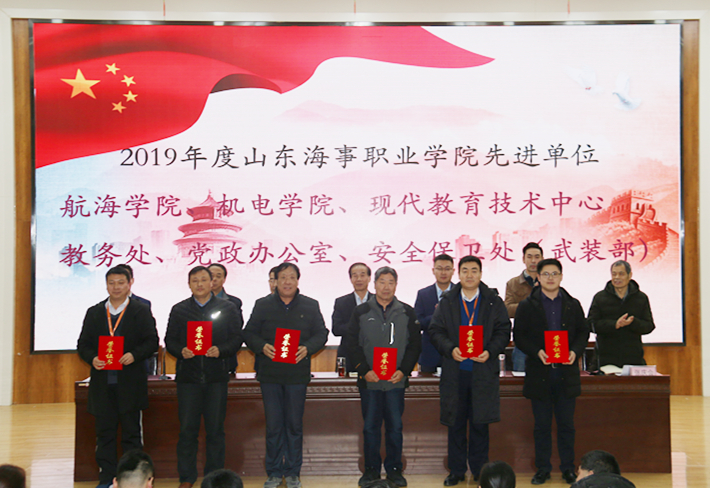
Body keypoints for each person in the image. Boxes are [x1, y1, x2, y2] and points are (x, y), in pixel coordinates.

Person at [243, 262, 329, 488]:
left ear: (298, 280)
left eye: (291, 277)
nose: (287, 282)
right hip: (270, 375)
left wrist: (307, 348)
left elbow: (322, 333)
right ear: (275, 281)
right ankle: (273, 472)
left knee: (293, 425)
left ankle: (292, 472)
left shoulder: (310, 305)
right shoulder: (262, 305)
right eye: (282, 277)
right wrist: (262, 346)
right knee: (273, 426)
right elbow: (249, 333)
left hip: (296, 375)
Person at [429, 256, 511, 485]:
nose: (469, 275)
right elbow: (435, 330)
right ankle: (456, 471)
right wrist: (450, 349)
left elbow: (504, 330)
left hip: (482, 371)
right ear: (459, 274)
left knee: (480, 424)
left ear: (480, 274)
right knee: (455, 424)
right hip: (455, 372)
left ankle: (479, 470)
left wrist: (490, 351)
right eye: (465, 270)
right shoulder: (448, 301)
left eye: (474, 270)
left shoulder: (493, 301)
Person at [77, 266, 159, 488]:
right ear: (106, 285)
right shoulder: (95, 312)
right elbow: (83, 344)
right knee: (105, 435)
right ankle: (107, 479)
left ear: (130, 283)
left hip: (130, 384)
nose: (116, 287)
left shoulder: (140, 310)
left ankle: (133, 480)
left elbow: (152, 341)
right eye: (111, 283)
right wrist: (93, 358)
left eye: (121, 282)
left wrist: (134, 355)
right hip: (103, 385)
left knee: (132, 435)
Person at [164, 266, 243, 488]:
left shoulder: (227, 308)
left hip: (216, 378)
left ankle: (214, 478)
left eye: (203, 280)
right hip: (188, 379)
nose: (199, 284)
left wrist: (221, 350)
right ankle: (186, 478)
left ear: (212, 283)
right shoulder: (179, 310)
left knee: (215, 430)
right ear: (189, 284)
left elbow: (237, 338)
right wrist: (181, 350)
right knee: (187, 430)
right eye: (194, 281)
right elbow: (170, 340)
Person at [513, 258, 589, 485]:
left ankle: (568, 469)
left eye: (555, 274)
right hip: (540, 374)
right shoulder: (527, 305)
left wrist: (575, 351)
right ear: (538, 277)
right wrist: (537, 352)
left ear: (561, 277)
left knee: (566, 426)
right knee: (542, 426)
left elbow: (583, 332)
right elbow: (519, 336)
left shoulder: (572, 304)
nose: (550, 278)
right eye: (545, 274)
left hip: (566, 374)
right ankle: (543, 469)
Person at [347, 266, 422, 488]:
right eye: (382, 282)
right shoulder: (361, 312)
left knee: (395, 428)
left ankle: (394, 470)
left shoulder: (407, 312)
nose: (386, 287)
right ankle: (371, 471)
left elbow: (415, 345)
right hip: (370, 382)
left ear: (396, 285)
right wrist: (364, 370)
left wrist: (404, 370)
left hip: (395, 382)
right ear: (375, 284)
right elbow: (352, 343)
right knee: (370, 427)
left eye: (391, 282)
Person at [587, 260, 655, 368]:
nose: (617, 277)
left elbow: (649, 326)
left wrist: (633, 322)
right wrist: (615, 324)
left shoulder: (641, 298)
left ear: (629, 275)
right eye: (614, 274)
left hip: (633, 359)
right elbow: (591, 324)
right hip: (605, 360)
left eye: (621, 274)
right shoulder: (600, 297)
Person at [505, 243, 543, 372]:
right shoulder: (513, 283)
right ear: (523, 259)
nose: (533, 261)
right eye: (529, 257)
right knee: (519, 379)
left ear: (542, 258)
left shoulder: (548, 282)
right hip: (522, 341)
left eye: (537, 257)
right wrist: (529, 306)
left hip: (546, 340)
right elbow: (508, 309)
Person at [414, 254, 455, 373]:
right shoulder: (423, 294)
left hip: (456, 353)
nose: (443, 272)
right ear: (433, 270)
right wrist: (437, 315)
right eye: (439, 268)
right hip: (429, 355)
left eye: (447, 269)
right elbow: (417, 323)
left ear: (453, 271)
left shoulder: (461, 293)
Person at [332, 262, 372, 373]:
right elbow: (336, 329)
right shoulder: (341, 302)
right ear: (350, 279)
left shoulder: (378, 301)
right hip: (348, 356)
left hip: (373, 356)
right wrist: (358, 325)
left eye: (362, 275)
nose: (359, 279)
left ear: (369, 278)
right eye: (355, 276)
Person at [208, 263, 245, 374]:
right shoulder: (192, 304)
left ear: (224, 279)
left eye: (218, 276)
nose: (214, 279)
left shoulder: (234, 303)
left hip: (226, 360)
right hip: (199, 360)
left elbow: (236, 332)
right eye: (211, 276)